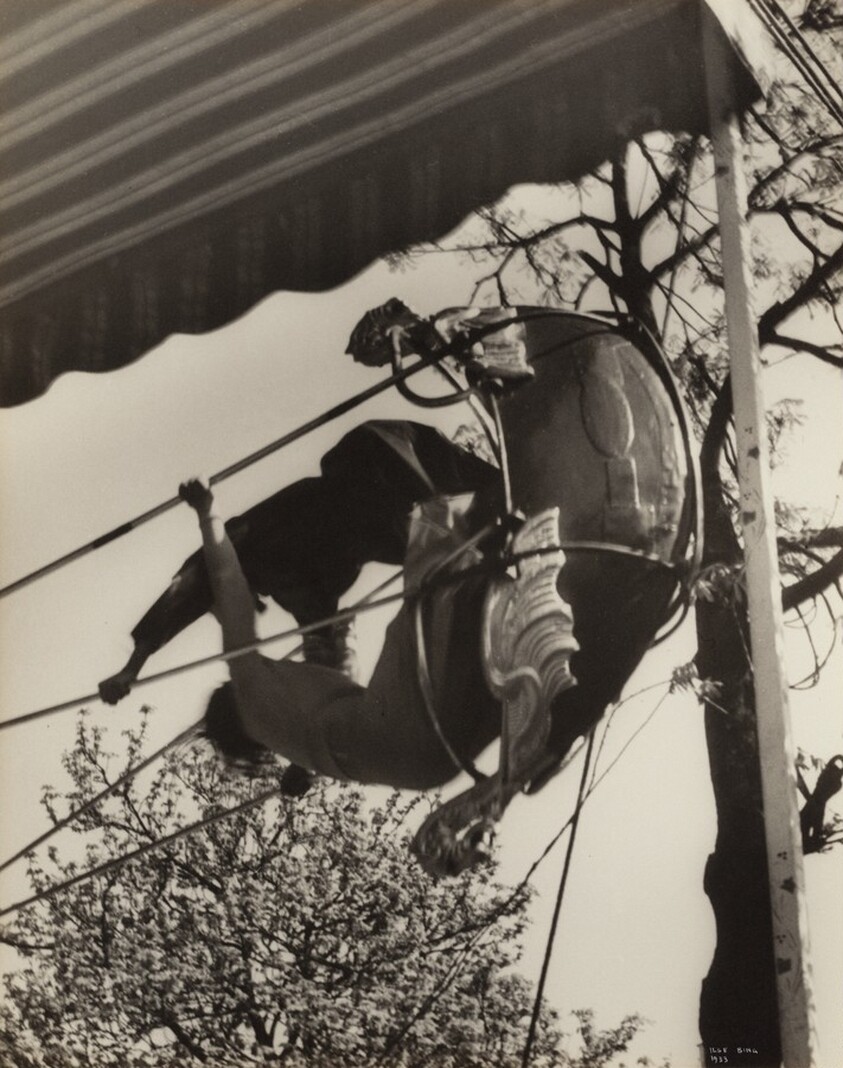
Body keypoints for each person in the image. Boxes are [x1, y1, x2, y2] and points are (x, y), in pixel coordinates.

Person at [99, 420, 500, 704]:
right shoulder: (303, 592)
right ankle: (491, 503)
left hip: (361, 473)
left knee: (432, 530)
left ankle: (488, 491)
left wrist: (132, 668)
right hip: (369, 503)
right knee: (442, 548)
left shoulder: (247, 552)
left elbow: (185, 591)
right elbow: (329, 666)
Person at [179, 474, 502, 791]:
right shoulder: (245, 681)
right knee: (434, 573)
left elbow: (342, 689)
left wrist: (344, 634)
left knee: (470, 657)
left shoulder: (292, 739)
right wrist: (208, 513)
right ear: (229, 698)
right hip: (395, 730)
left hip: (429, 770)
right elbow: (227, 582)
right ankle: (492, 520)